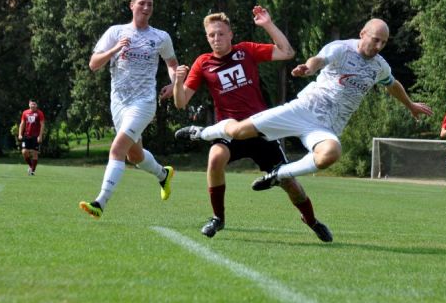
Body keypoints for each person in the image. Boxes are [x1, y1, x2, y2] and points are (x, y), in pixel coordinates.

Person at [178, 18, 433, 195]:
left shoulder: (380, 65)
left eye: (383, 43)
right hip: (303, 109)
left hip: (327, 126)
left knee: (330, 154)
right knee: (236, 132)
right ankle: (201, 132)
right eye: (375, 40)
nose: (378, 46)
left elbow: (392, 84)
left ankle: (279, 174)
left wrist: (410, 105)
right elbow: (319, 59)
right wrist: (308, 68)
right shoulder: (341, 49)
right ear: (363, 34)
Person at [172, 7, 332, 242]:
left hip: (259, 128)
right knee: (215, 158)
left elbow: (287, 52)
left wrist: (267, 24)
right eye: (211, 35)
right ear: (207, 37)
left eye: (220, 34)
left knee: (289, 183)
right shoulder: (202, 63)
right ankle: (218, 218)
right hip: (228, 129)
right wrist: (178, 81)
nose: (216, 38)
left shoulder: (246, 51)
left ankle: (311, 220)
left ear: (230, 34)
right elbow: (181, 102)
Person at [79, 0, 178, 219]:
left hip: (143, 102)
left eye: (150, 4)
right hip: (119, 103)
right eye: (142, 3)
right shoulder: (116, 32)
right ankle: (163, 174)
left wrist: (174, 85)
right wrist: (115, 49)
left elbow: (172, 63)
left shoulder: (160, 36)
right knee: (135, 156)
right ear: (131, 6)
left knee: (117, 149)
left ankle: (100, 202)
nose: (146, 7)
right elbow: (93, 64)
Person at [18, 99, 45, 175]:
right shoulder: (25, 113)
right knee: (24, 152)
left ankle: (32, 171)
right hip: (26, 136)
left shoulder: (40, 113)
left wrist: (40, 136)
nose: (33, 105)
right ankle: (31, 166)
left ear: (36, 105)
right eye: (32, 104)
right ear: (29, 104)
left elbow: (42, 125)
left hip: (35, 136)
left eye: (34, 104)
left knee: (35, 153)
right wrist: (20, 134)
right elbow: (22, 123)